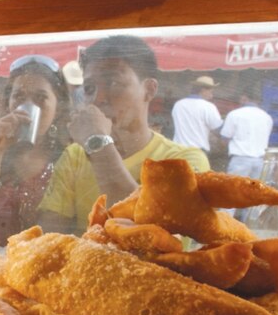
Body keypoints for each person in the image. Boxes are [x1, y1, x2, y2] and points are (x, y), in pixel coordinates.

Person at [37, 35, 210, 235]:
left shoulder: (183, 162)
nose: (98, 99)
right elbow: (50, 234)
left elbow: (154, 239)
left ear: (149, 90)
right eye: (90, 88)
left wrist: (98, 143)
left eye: (113, 83)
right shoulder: (76, 155)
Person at [0, 54, 69, 266]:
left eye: (40, 98)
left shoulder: (70, 158)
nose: (27, 106)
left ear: (58, 107)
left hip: (41, 265)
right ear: (8, 103)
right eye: (19, 97)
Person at [220, 85, 274, 218]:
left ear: (244, 97)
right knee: (254, 196)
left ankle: (225, 225)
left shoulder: (235, 114)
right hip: (261, 160)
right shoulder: (266, 117)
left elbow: (225, 137)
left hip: (240, 159)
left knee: (231, 193)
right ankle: (250, 225)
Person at [171, 75, 223, 156]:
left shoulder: (178, 104)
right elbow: (218, 129)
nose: (211, 96)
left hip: (177, 151)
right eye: (211, 92)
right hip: (197, 153)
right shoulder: (208, 106)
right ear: (203, 90)